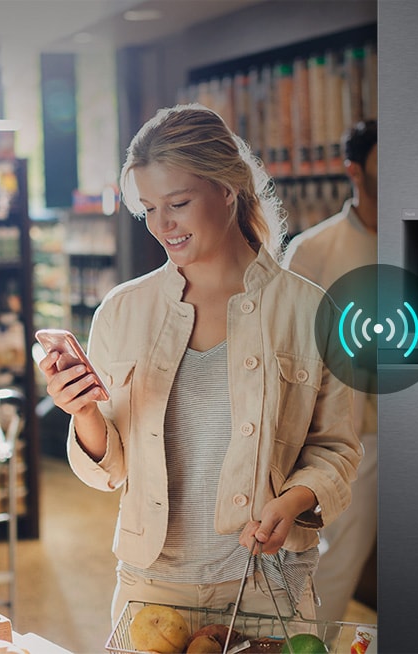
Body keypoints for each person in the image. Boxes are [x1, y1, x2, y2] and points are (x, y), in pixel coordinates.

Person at [37, 103, 362, 625]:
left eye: (179, 203)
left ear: (227, 189)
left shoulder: (309, 310)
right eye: (148, 210)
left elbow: (337, 450)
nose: (163, 226)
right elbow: (111, 471)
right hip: (150, 586)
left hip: (267, 587)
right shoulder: (122, 311)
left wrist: (292, 501)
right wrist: (84, 414)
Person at [282, 120, 377, 623]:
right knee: (336, 561)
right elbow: (288, 348)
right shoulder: (314, 250)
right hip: (354, 439)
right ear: (355, 171)